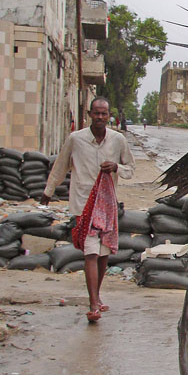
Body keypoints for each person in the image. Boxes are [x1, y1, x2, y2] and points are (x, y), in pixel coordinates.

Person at [41, 96, 135, 322]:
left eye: (104, 113)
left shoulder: (117, 140)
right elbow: (60, 166)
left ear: (109, 115)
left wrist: (116, 167)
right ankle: (93, 303)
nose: (100, 117)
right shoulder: (76, 139)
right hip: (83, 204)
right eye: (96, 113)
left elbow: (131, 169)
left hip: (107, 206)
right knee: (91, 252)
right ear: (89, 114)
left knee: (103, 255)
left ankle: (97, 295)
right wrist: (48, 191)